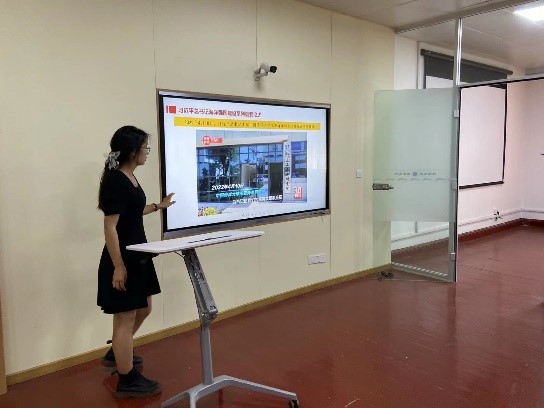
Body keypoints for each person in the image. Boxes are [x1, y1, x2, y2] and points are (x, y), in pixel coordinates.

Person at [97, 125, 175, 398]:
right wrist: (119, 266)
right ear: (133, 151)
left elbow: (132, 211)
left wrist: (158, 206)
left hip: (138, 253)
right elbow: (110, 227)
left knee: (144, 308)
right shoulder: (116, 180)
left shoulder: (129, 177)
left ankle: (117, 352)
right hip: (124, 257)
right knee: (125, 317)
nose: (147, 153)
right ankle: (127, 379)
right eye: (145, 148)